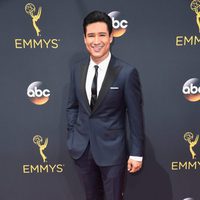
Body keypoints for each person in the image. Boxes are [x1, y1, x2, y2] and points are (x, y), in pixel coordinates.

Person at [66, 10, 144, 200]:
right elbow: (73, 107)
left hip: (112, 152)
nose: (96, 41)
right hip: (82, 150)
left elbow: (135, 116)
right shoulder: (77, 70)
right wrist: (72, 137)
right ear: (84, 39)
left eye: (102, 35)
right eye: (91, 35)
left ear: (111, 38)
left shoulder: (126, 72)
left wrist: (136, 153)